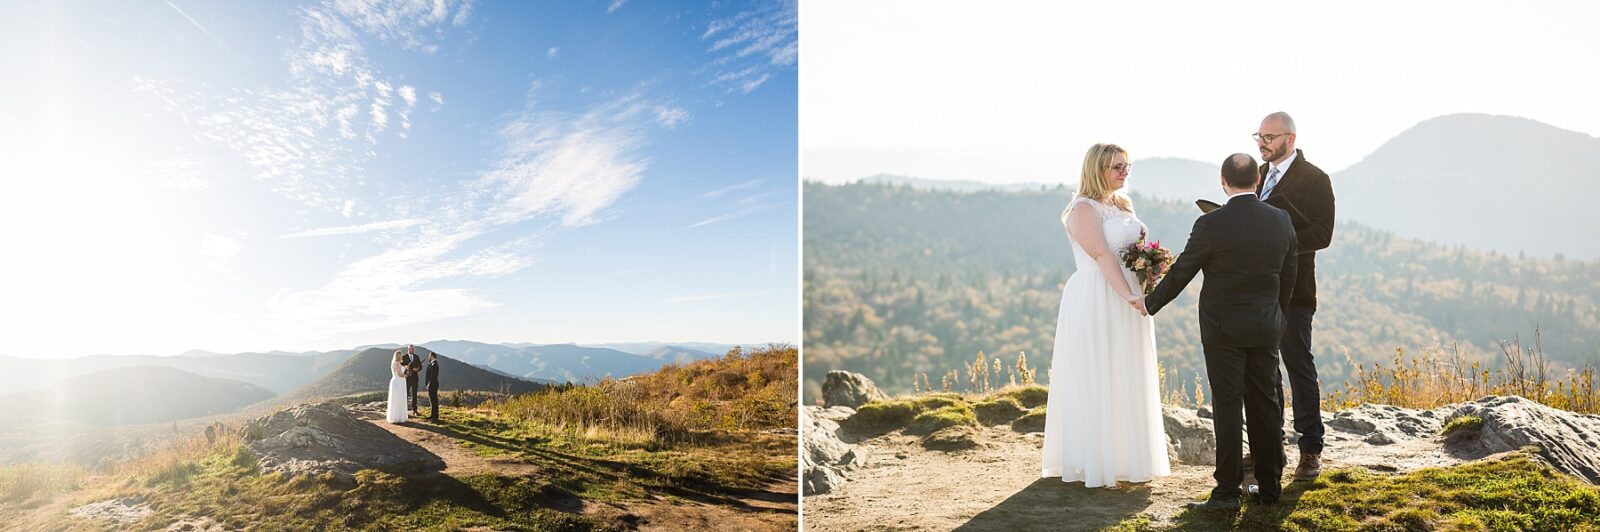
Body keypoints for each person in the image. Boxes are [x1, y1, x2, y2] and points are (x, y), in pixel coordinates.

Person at [1140, 153, 1299, 509]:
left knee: (1227, 407)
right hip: (1266, 326)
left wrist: (1150, 304)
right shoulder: (1280, 220)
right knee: (1265, 404)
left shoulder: (1211, 224)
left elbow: (1183, 270)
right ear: (1257, 181)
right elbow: (1289, 276)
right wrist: (1278, 315)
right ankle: (1271, 488)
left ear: (1223, 183)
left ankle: (1227, 491)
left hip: (1223, 330)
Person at [1040, 143, 1170, 489]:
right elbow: (1100, 254)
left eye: (1127, 166)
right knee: (1098, 370)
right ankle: (1094, 459)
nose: (1124, 172)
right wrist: (1126, 294)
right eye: (1117, 167)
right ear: (1097, 169)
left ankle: (1126, 455)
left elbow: (1133, 252)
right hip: (1098, 294)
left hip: (1130, 294)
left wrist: (1147, 277)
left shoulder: (1122, 204)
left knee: (1125, 369)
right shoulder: (1082, 208)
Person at [1254, 111, 1335, 480]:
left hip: (1295, 292)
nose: (1262, 142)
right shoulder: (1257, 176)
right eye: (1259, 136)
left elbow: (1322, 234)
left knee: (1299, 369)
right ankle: (1269, 453)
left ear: (1291, 137)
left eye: (1270, 136)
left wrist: (1278, 241)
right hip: (1257, 291)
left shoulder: (1316, 179)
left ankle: (1310, 450)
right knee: (1262, 373)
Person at [385, 350, 409, 424]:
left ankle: (396, 416)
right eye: (401, 355)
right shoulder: (397, 364)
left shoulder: (396, 364)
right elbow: (400, 374)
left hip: (398, 382)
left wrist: (405, 368)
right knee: (399, 398)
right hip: (398, 382)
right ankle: (398, 417)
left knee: (397, 398)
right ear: (399, 356)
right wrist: (406, 375)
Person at [403, 344, 422, 415]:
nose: (413, 350)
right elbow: (401, 366)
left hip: (415, 378)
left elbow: (420, 366)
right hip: (407, 378)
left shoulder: (417, 357)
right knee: (406, 394)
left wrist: (417, 369)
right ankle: (404, 410)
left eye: (413, 349)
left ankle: (415, 410)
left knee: (415, 394)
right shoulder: (404, 357)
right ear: (408, 349)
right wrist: (406, 368)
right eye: (411, 349)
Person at [424, 351, 441, 422]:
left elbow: (433, 376)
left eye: (429, 356)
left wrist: (429, 384)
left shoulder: (434, 365)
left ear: (432, 356)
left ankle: (435, 416)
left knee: (434, 400)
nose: (428, 357)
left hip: (433, 385)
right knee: (432, 400)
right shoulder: (433, 364)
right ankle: (433, 415)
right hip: (432, 384)